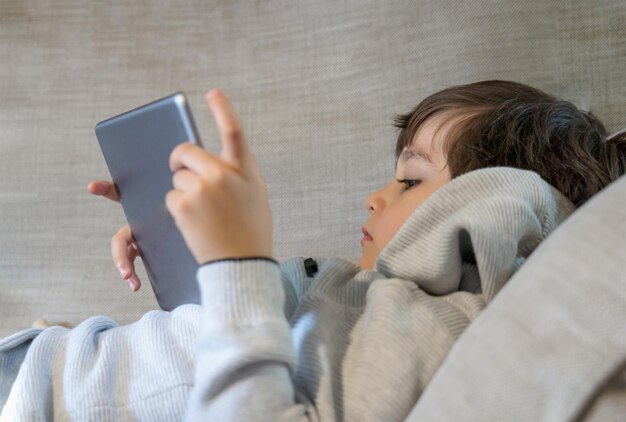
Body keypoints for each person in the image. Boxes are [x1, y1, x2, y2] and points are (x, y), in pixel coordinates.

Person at [1, 81, 624, 420]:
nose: (376, 197)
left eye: (410, 178)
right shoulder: (367, 298)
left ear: (490, 201)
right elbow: (205, 347)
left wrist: (237, 267)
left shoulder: (427, 333)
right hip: (46, 359)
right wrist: (193, 253)